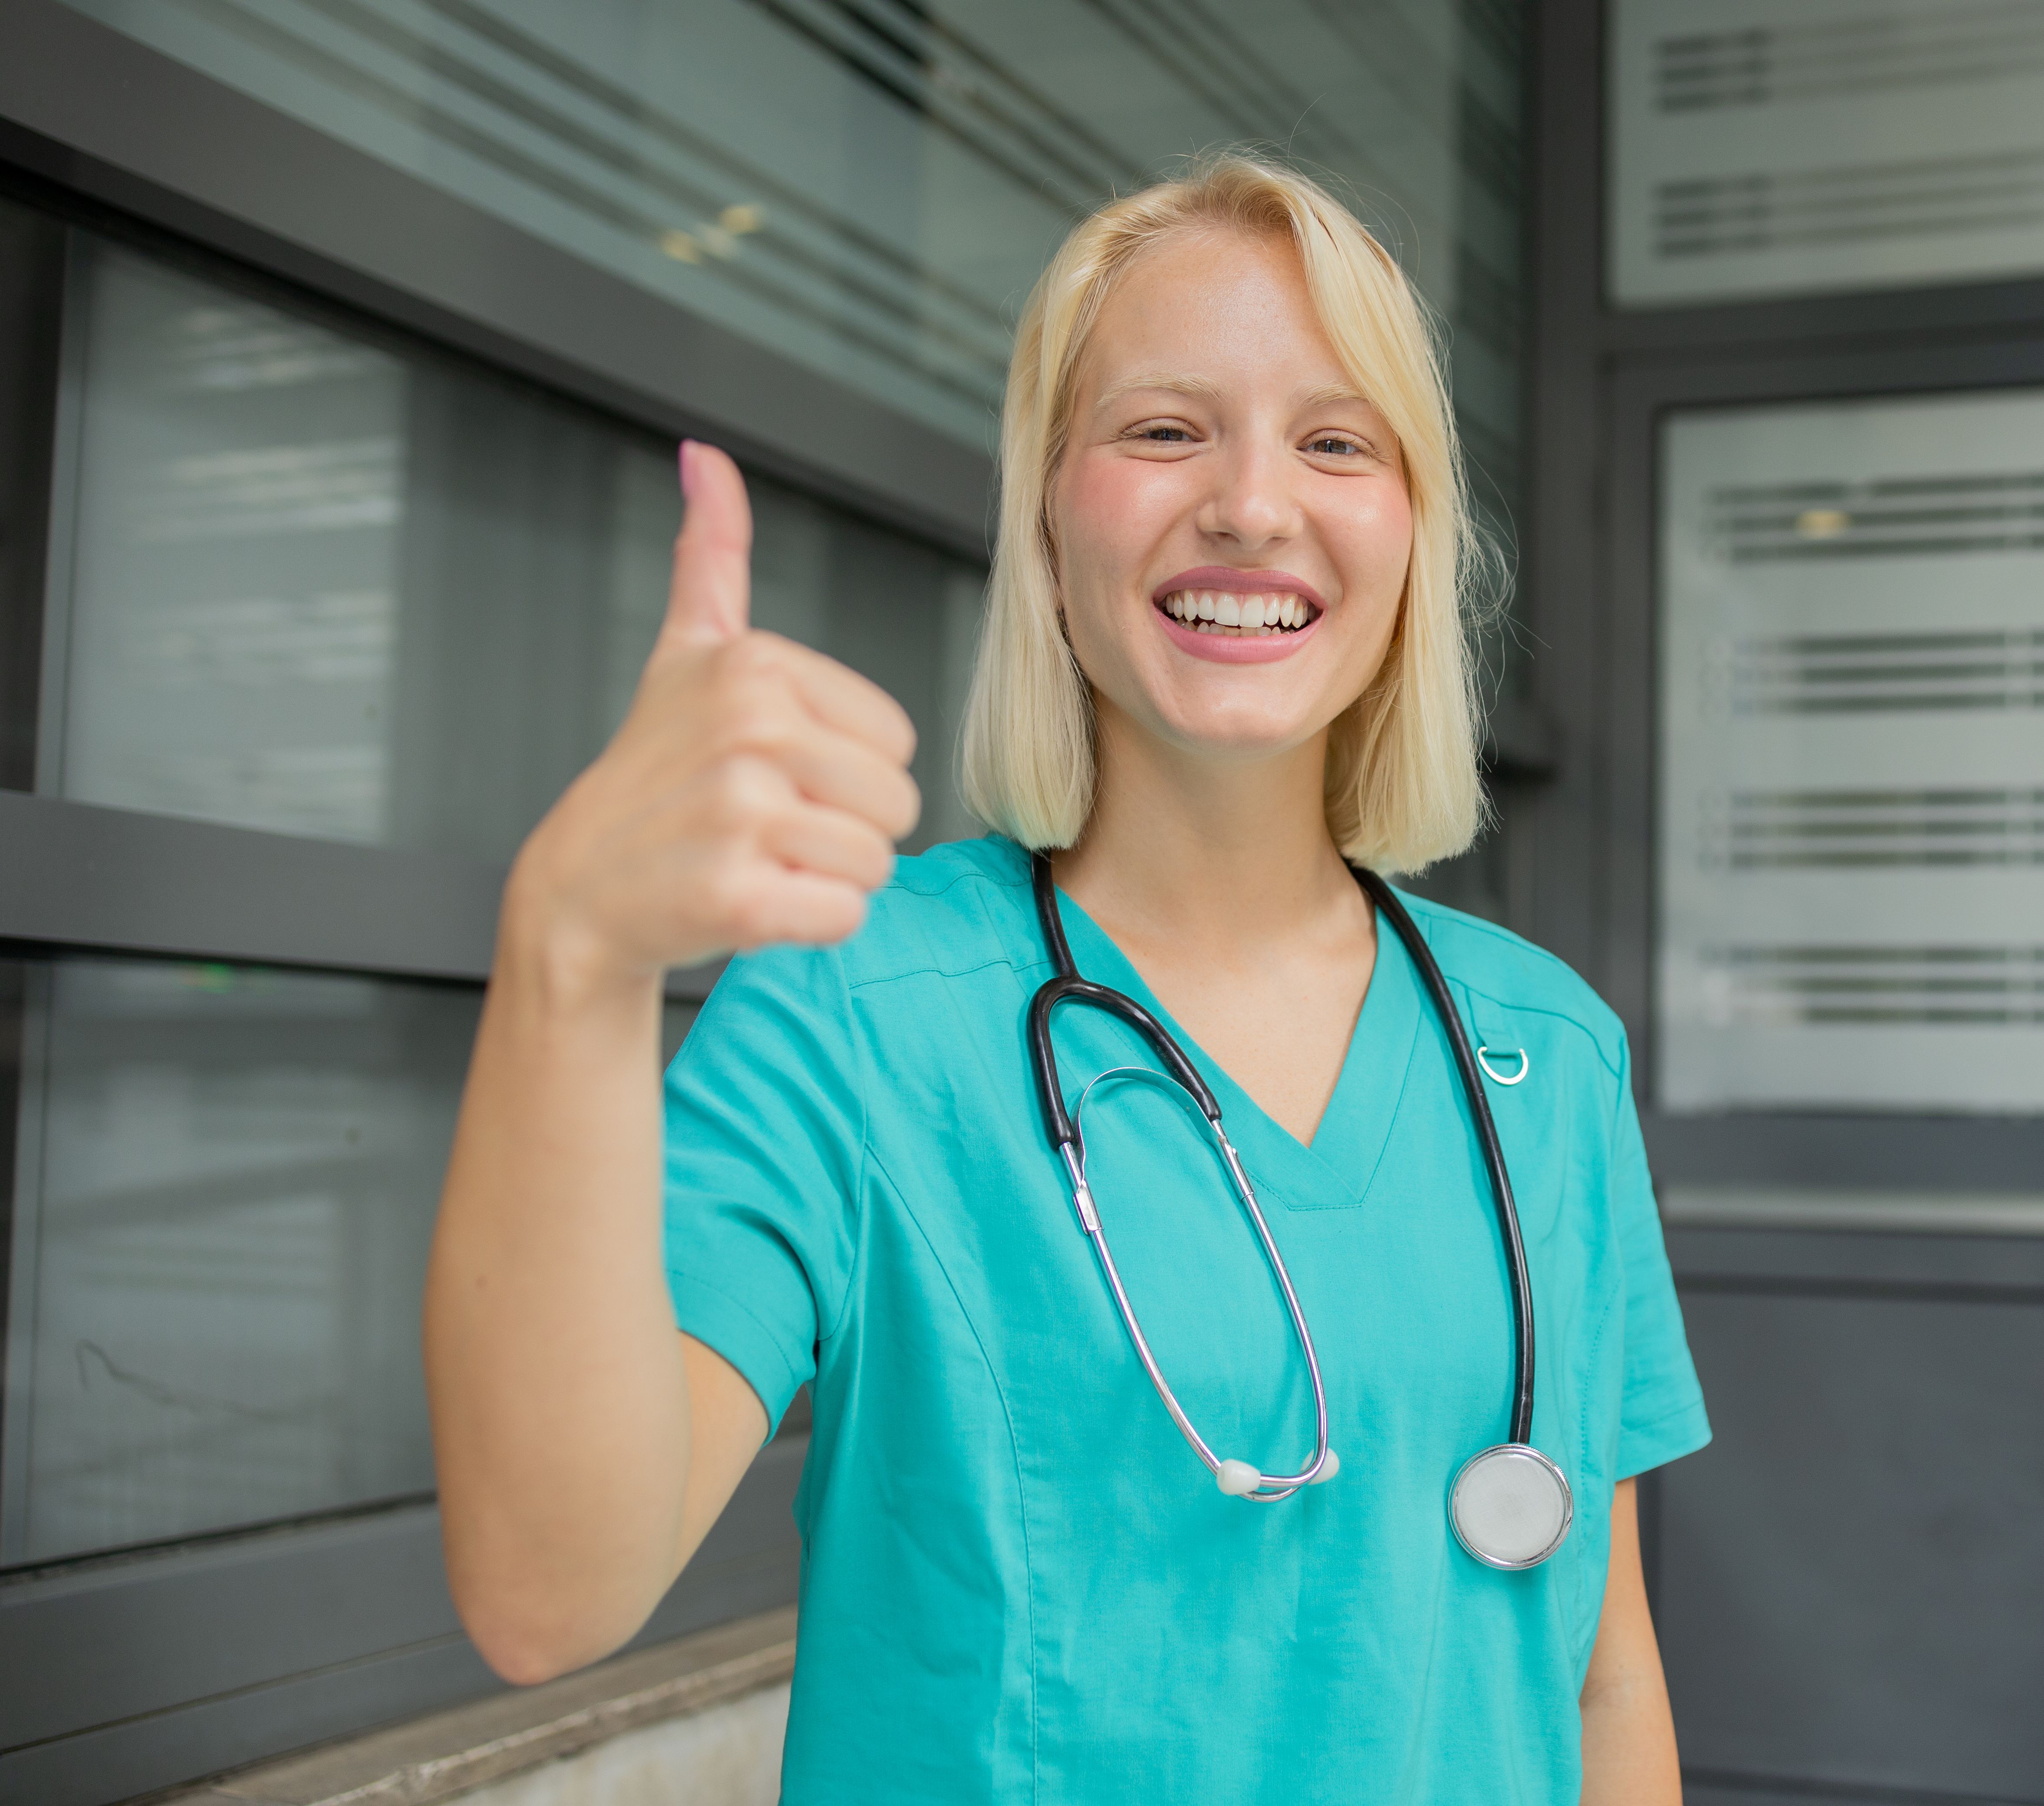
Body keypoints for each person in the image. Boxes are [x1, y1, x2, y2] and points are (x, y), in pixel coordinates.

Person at [424, 153, 1710, 1804]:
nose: (1253, 503)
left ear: (1412, 536)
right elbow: (546, 1592)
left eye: (1336, 440)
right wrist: (573, 960)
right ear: (1046, 520)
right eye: (1165, 430)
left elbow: (1604, 1683)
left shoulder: (1547, 1050)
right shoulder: (857, 1006)